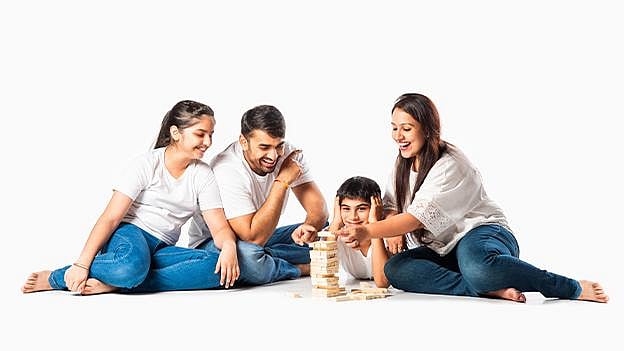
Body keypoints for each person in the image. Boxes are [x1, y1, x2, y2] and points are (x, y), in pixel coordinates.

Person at [337, 93, 609, 303]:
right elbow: (393, 206)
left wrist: (368, 230)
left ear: (428, 129)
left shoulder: (450, 163)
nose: (398, 136)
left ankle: (569, 286)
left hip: (481, 234)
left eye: (406, 128)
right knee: (398, 270)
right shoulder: (402, 164)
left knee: (479, 268)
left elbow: (415, 219)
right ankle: (486, 290)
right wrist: (390, 222)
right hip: (444, 247)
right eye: (394, 127)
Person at [22, 100, 239, 295]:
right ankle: (59, 277)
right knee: (128, 267)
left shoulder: (203, 174)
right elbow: (111, 218)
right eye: (200, 134)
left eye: (211, 134)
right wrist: (81, 264)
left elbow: (219, 229)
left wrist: (229, 246)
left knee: (216, 267)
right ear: (176, 133)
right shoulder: (146, 164)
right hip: (130, 234)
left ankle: (120, 282)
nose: (208, 142)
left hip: (162, 246)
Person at [188, 105, 328, 285]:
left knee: (325, 231)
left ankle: (269, 258)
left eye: (278, 146)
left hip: (262, 236)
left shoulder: (287, 155)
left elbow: (319, 209)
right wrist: (282, 182)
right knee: (251, 256)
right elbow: (252, 237)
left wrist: (308, 229)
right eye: (264, 147)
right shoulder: (226, 169)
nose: (273, 155)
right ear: (243, 142)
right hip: (216, 243)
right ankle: (296, 267)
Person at [321, 176, 392, 288]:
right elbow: (322, 273)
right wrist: (336, 221)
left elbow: (382, 282)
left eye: (361, 209)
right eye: (346, 209)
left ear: (376, 207)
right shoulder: (336, 234)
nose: (353, 217)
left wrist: (374, 223)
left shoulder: (390, 236)